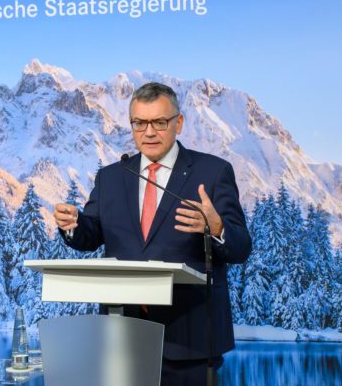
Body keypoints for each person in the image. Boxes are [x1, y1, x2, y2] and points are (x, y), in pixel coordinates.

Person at [52, 82, 251, 385]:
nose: (149, 132)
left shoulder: (212, 172)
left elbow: (240, 247)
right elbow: (91, 235)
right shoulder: (112, 177)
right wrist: (74, 224)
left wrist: (217, 228)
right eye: (139, 123)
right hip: (121, 338)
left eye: (159, 122)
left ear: (178, 123)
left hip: (190, 341)